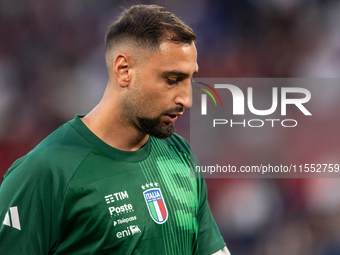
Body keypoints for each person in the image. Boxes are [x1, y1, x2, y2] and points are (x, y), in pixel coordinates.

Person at [0, 4, 230, 255]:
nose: (187, 99)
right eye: (172, 80)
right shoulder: (45, 173)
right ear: (124, 71)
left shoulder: (179, 155)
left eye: (190, 79)